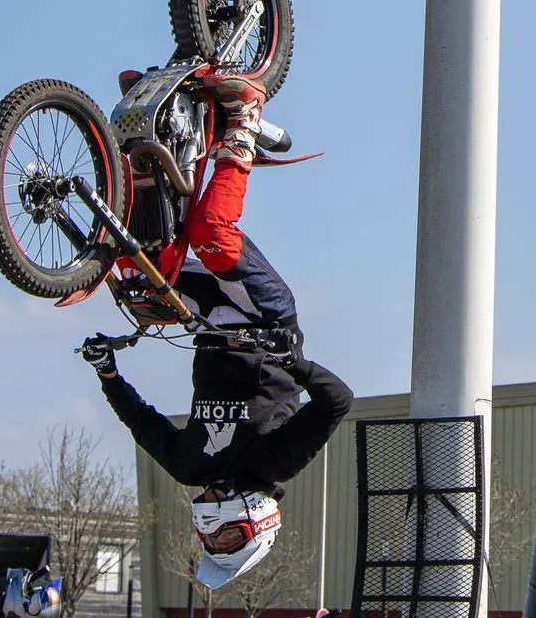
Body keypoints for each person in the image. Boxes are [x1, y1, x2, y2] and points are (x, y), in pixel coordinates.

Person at [80, 74, 352, 590]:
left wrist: (108, 373)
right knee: (210, 235)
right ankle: (244, 122)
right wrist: (294, 363)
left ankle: (156, 139)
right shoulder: (275, 462)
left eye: (210, 542)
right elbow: (337, 401)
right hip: (263, 317)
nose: (211, 532)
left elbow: (142, 423)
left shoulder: (190, 467)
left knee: (137, 266)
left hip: (205, 319)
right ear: (258, 525)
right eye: (227, 539)